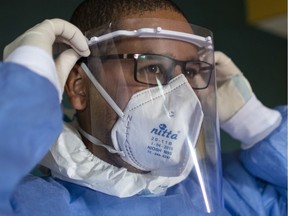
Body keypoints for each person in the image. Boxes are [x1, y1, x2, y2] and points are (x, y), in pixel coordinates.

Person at [0, 0, 286, 215]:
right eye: (152, 68)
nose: (180, 94)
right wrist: (24, 91)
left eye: (188, 73)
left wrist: (257, 123)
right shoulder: (27, 204)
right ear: (79, 86)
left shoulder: (232, 195)